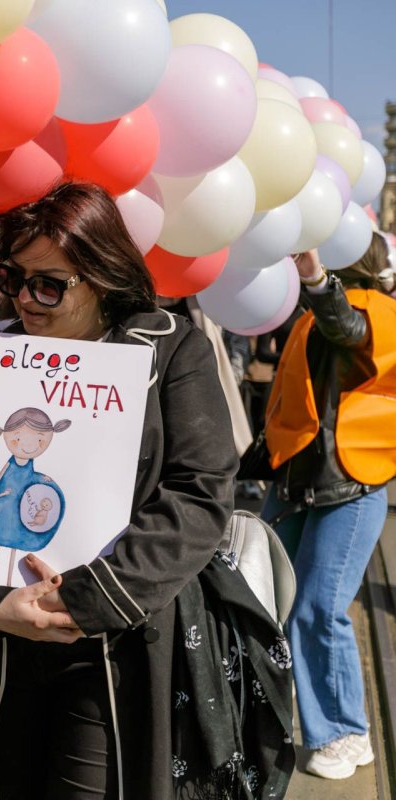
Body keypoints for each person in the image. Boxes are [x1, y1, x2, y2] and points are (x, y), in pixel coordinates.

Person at [0, 182, 291, 798]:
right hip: (4, 644)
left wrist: (87, 600)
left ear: (101, 276)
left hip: (120, 647)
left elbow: (198, 495)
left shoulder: (169, 347)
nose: (25, 299)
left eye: (49, 284)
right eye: (13, 278)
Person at [262, 235, 396, 780]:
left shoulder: (377, 311)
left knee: (318, 608)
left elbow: (350, 329)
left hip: (353, 487)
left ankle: (344, 732)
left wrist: (318, 281)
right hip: (302, 484)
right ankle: (316, 723)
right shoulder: (307, 317)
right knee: (274, 602)